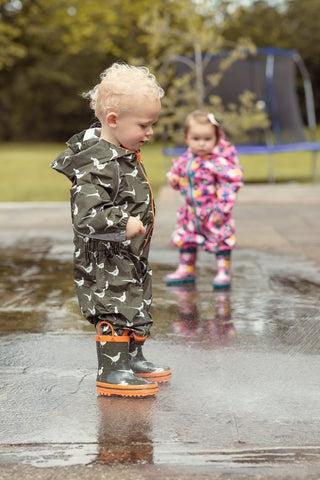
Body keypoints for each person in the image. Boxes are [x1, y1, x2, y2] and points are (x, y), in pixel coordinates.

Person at [51, 63, 171, 398]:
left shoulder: (123, 154)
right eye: (144, 125)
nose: (149, 132)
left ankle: (132, 359)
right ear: (114, 120)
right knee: (113, 309)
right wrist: (123, 222)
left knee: (134, 302)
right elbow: (87, 215)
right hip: (104, 260)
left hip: (129, 254)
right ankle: (112, 369)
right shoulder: (96, 164)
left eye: (152, 124)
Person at [166, 110, 243, 290]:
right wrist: (174, 181)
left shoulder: (218, 162)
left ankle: (223, 270)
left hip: (214, 212)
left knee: (220, 238)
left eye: (207, 139)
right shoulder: (186, 160)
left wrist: (222, 209)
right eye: (196, 138)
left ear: (216, 138)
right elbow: (179, 177)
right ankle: (187, 268)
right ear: (187, 138)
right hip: (191, 212)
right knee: (187, 238)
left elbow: (230, 185)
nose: (202, 143)